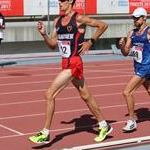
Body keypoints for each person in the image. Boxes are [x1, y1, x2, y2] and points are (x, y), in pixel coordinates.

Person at [29, 0, 112, 144]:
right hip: (65, 63)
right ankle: (104, 125)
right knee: (85, 96)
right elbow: (53, 45)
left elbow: (103, 25)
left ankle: (45, 132)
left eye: (62, 1)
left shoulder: (79, 19)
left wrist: (90, 42)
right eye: (58, 1)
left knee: (49, 94)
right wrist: (44, 35)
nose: (59, 3)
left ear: (70, 2)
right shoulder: (57, 21)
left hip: (74, 64)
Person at [119, 7, 150, 132]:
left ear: (144, 18)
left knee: (127, 92)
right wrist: (122, 45)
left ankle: (132, 121)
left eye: (137, 18)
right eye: (134, 18)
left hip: (146, 67)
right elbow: (126, 53)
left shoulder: (148, 32)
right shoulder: (131, 33)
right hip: (138, 66)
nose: (135, 20)